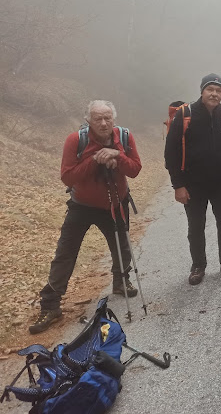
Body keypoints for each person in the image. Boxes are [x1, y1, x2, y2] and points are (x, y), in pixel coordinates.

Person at [30, 100, 142, 334]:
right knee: (65, 253)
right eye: (98, 118)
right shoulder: (76, 140)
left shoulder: (124, 137)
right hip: (81, 206)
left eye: (108, 118)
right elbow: (68, 177)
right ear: (88, 120)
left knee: (121, 247)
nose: (104, 123)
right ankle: (50, 304)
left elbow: (135, 169)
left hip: (114, 203)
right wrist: (94, 160)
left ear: (114, 119)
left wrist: (117, 156)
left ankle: (121, 281)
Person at [165, 73, 221, 285]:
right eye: (210, 89)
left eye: (219, 91)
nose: (214, 94)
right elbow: (170, 152)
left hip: (220, 182)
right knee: (196, 226)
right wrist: (178, 185)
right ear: (202, 91)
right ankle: (198, 266)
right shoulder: (185, 114)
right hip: (193, 184)